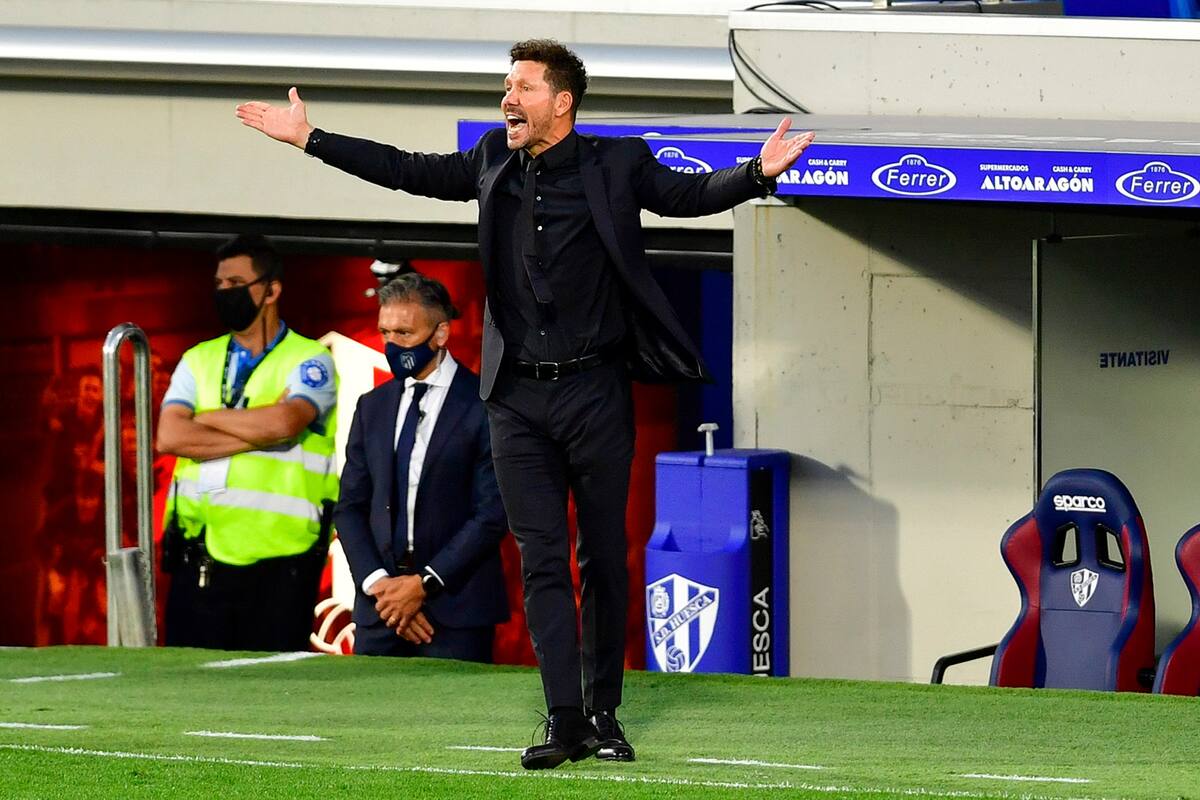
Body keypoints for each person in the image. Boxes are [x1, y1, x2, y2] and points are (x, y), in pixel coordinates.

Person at [235, 38, 813, 769]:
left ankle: (605, 713)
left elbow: (686, 198)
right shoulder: (490, 160)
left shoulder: (616, 163)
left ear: (561, 102)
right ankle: (563, 720)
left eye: (523, 87)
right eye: (506, 86)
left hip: (595, 391)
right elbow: (406, 171)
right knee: (541, 562)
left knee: (600, 559)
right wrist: (311, 138)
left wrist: (757, 172)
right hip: (515, 398)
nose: (508, 98)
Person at [156, 234, 339, 652]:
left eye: (235, 284)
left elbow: (285, 422)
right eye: (219, 285)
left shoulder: (309, 359)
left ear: (271, 290)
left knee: (268, 699)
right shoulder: (198, 358)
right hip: (199, 554)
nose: (225, 293)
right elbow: (169, 435)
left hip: (280, 561)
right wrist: (257, 433)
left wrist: (204, 419)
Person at [334, 272, 507, 661]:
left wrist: (422, 584)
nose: (392, 344)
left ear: (441, 334)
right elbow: (349, 507)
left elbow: (492, 514)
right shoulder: (372, 407)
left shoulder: (484, 407)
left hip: (456, 610)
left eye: (404, 334)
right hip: (381, 611)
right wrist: (382, 587)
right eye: (385, 333)